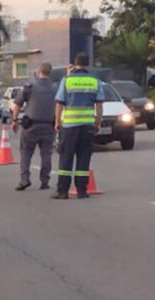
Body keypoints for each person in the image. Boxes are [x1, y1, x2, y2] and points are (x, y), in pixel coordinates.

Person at [52, 53, 104, 199]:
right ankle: (82, 191)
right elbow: (99, 106)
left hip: (69, 127)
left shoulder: (67, 80)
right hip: (87, 126)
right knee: (83, 158)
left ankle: (62, 191)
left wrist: (57, 122)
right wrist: (97, 123)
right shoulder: (94, 81)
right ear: (87, 64)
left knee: (66, 158)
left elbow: (59, 103)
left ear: (75, 64)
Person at [11, 62, 57, 191]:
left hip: (31, 126)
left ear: (38, 72)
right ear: (50, 73)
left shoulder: (29, 87)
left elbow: (17, 105)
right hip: (49, 125)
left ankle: (25, 179)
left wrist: (14, 120)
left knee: (26, 153)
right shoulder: (56, 88)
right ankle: (45, 181)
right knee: (46, 154)